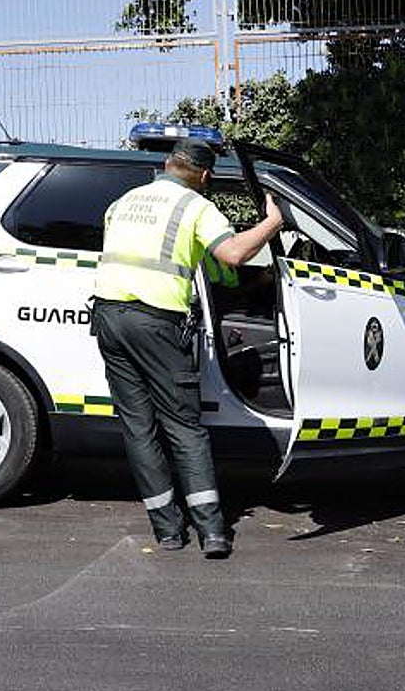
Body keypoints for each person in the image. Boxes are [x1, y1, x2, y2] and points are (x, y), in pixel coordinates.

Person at [92, 138, 283, 558]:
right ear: (205, 176)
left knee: (139, 428)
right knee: (183, 426)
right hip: (157, 323)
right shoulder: (196, 206)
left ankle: (167, 532)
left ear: (167, 163)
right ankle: (213, 531)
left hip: (108, 317)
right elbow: (232, 254)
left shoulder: (122, 202)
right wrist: (272, 222)